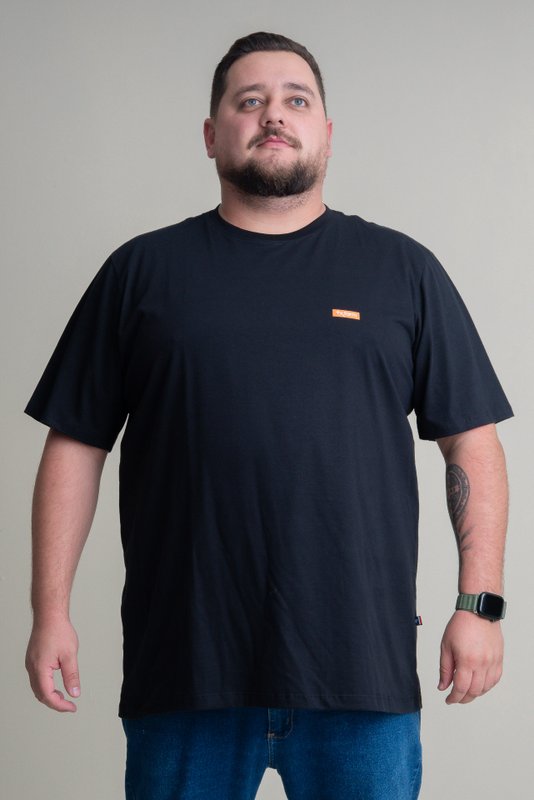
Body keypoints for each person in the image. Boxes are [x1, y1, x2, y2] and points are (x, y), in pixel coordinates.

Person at [24, 31, 512, 800]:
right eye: (249, 101)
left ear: (327, 132)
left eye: (295, 100)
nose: (273, 115)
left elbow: (471, 442)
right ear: (211, 134)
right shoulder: (140, 273)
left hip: (360, 674)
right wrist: (49, 611)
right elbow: (75, 445)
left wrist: (478, 606)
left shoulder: (402, 270)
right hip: (186, 672)